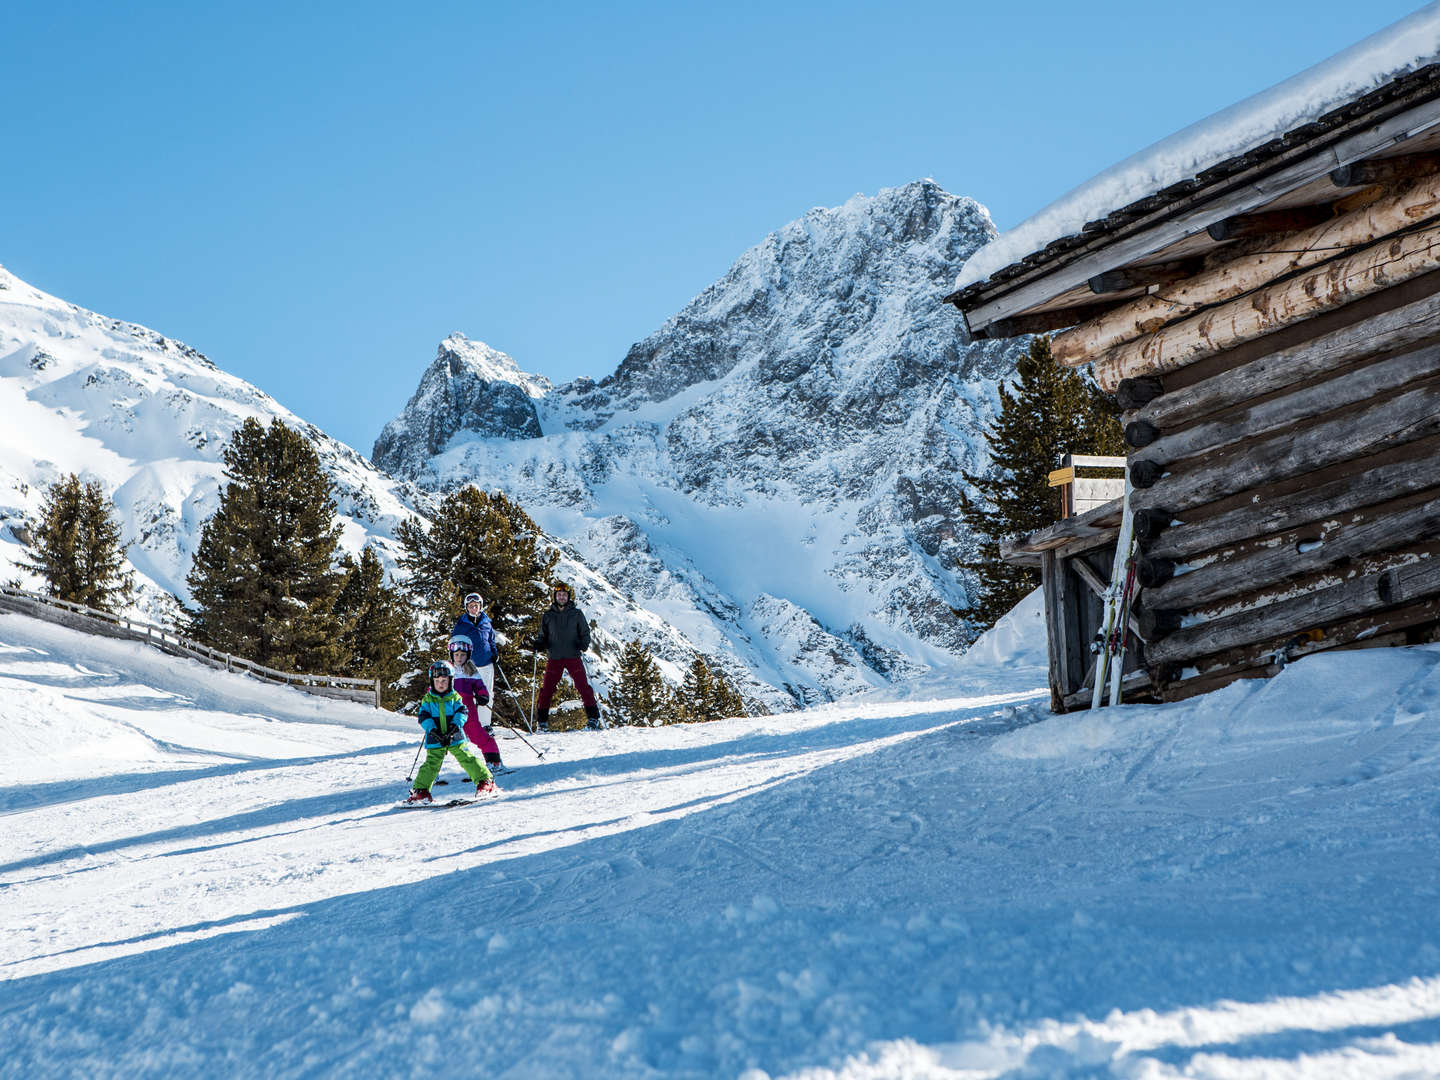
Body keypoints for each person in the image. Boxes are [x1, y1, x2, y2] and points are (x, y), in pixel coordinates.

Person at [405, 660, 498, 804]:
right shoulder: (428, 700)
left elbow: (462, 712)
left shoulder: (455, 697)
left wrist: (454, 728)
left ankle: (485, 781)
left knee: (466, 758)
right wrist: (434, 731)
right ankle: (421, 791)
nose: (440, 684)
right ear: (432, 681)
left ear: (450, 681)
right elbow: (423, 717)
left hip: (454, 735)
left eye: (444, 681)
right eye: (437, 681)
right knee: (431, 763)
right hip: (436, 737)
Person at [529, 580, 602, 731]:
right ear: (555, 596)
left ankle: (593, 719)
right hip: (554, 657)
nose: (561, 597)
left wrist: (583, 644)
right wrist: (539, 644)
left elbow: (585, 632)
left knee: (583, 687)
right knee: (547, 690)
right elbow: (543, 635)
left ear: (569, 597)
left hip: (573, 656)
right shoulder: (548, 615)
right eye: (559, 594)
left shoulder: (576, 614)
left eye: (564, 595)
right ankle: (542, 723)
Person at [448, 635, 506, 773]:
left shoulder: (471, 671)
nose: (459, 658)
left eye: (463, 654)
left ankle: (494, 761)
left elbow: (480, 686)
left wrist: (483, 695)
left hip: (467, 709)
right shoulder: (446, 669)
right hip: (449, 708)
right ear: (451, 655)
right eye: (456, 654)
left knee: (477, 734)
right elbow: (435, 686)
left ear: (468, 655)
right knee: (443, 738)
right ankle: (433, 772)